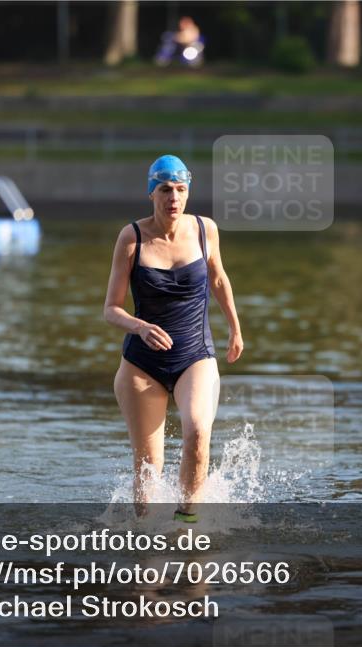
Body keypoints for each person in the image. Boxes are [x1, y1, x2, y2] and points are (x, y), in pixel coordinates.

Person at [104, 155, 243, 523]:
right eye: (165, 190)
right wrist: (139, 326)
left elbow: (217, 279)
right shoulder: (131, 238)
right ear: (152, 193)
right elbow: (110, 309)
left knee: (198, 432)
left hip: (194, 355)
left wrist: (235, 327)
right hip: (141, 364)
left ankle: (186, 524)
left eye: (181, 190)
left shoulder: (204, 229)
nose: (174, 198)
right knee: (148, 466)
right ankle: (143, 539)